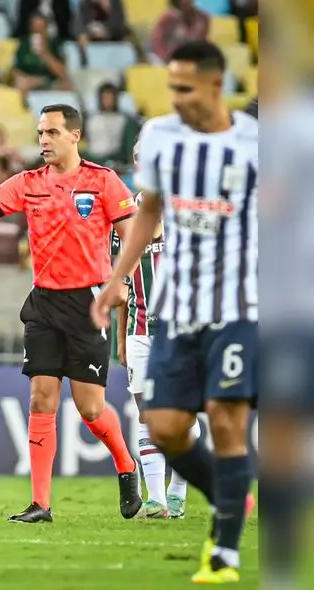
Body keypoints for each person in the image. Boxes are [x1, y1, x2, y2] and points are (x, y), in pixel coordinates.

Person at [91, 40, 258, 584]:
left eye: (186, 88)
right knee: (164, 426)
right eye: (172, 88)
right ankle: (230, 496)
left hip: (234, 307)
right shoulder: (163, 138)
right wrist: (116, 279)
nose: (178, 98)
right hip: (175, 312)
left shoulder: (254, 143)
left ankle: (224, 553)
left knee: (226, 421)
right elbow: (149, 213)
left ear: (215, 85)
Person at [0, 104, 142, 524]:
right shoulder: (29, 183)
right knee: (41, 398)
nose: (43, 140)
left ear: (74, 135)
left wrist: (122, 281)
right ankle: (40, 503)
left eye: (52, 132)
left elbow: (132, 235)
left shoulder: (102, 181)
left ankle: (126, 464)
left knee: (90, 409)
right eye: (40, 133)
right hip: (43, 303)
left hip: (88, 304)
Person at [112, 141, 201, 519]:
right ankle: (157, 498)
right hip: (139, 329)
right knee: (146, 413)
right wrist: (120, 337)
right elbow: (122, 284)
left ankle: (178, 490)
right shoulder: (123, 216)